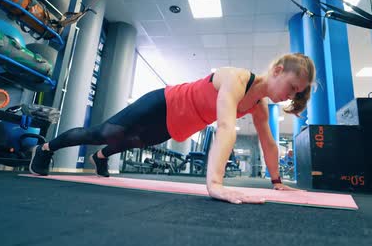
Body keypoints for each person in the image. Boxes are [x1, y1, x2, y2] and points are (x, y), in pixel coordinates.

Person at [29, 53, 316, 204]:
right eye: (293, 87)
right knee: (104, 133)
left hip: (175, 125)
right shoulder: (237, 78)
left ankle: (100, 158)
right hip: (163, 103)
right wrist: (215, 185)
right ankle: (45, 149)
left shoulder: (260, 107)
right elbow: (226, 126)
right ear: (278, 70)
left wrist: (276, 181)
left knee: (132, 143)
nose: (291, 95)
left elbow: (268, 143)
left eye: (297, 93)